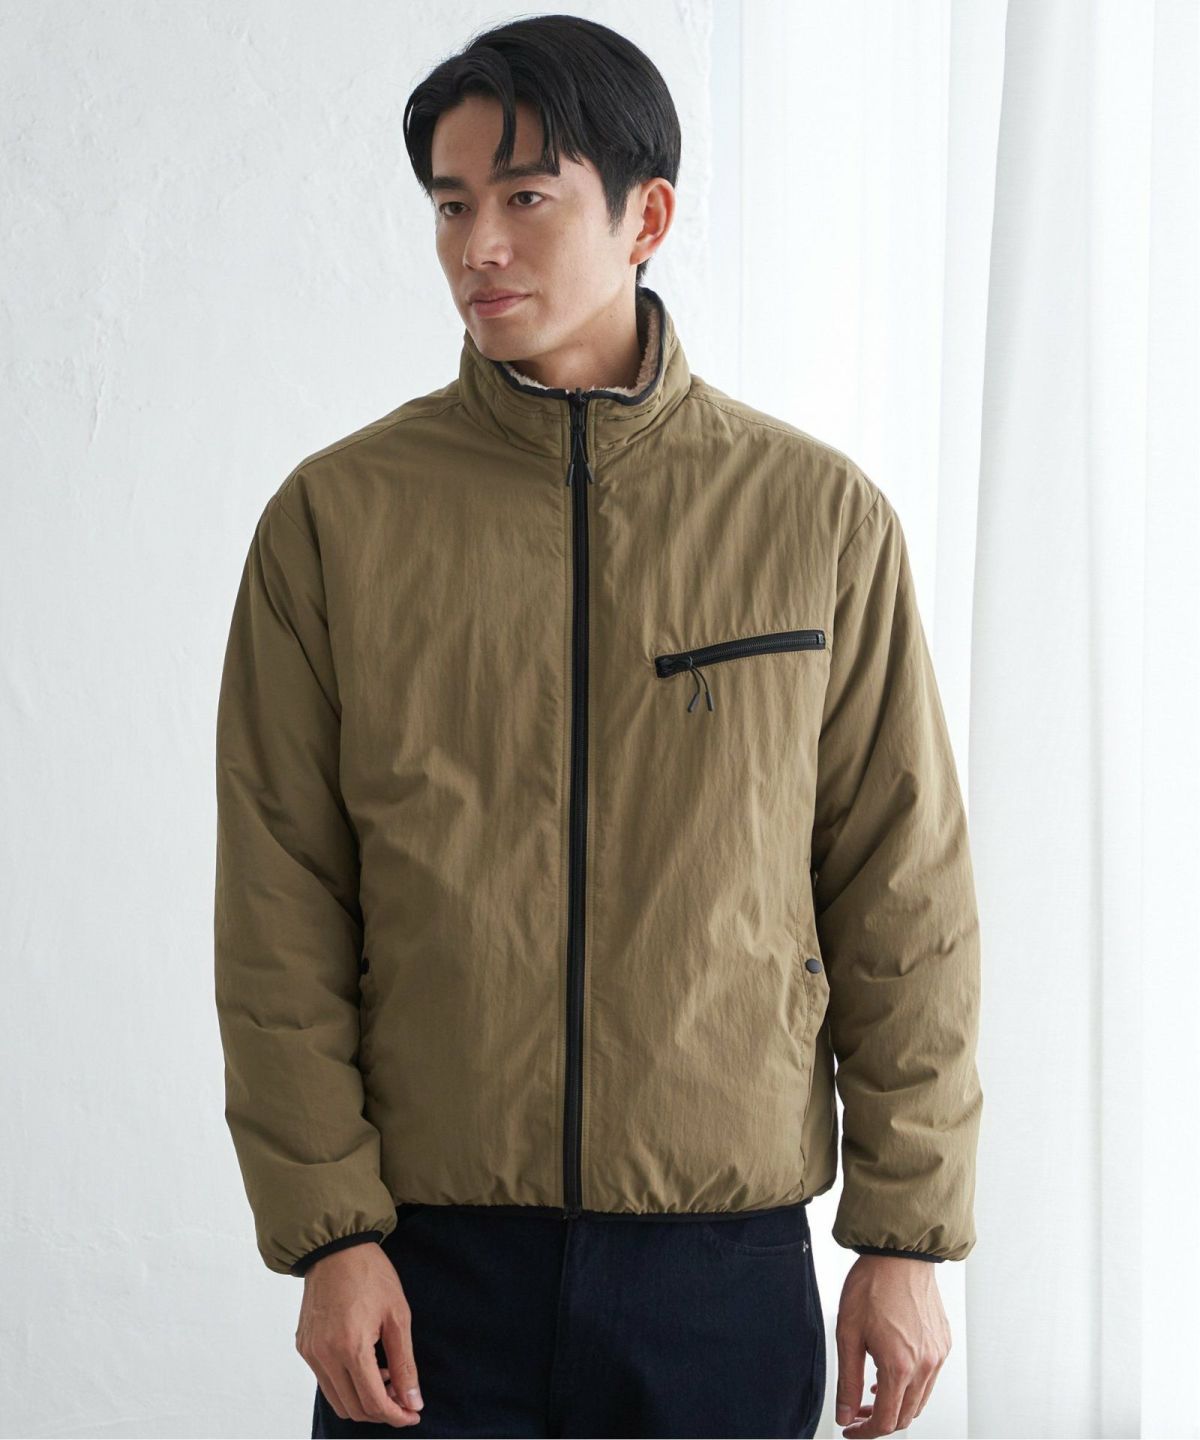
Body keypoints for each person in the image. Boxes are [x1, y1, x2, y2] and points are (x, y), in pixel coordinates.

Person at [213, 15, 983, 1439]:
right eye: (451, 205)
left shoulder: (816, 520)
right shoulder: (336, 522)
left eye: (526, 197)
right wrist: (328, 1233)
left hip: (721, 1264)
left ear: (647, 217)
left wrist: (906, 1235)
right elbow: (280, 902)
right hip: (428, 1263)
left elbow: (902, 889)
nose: (478, 246)